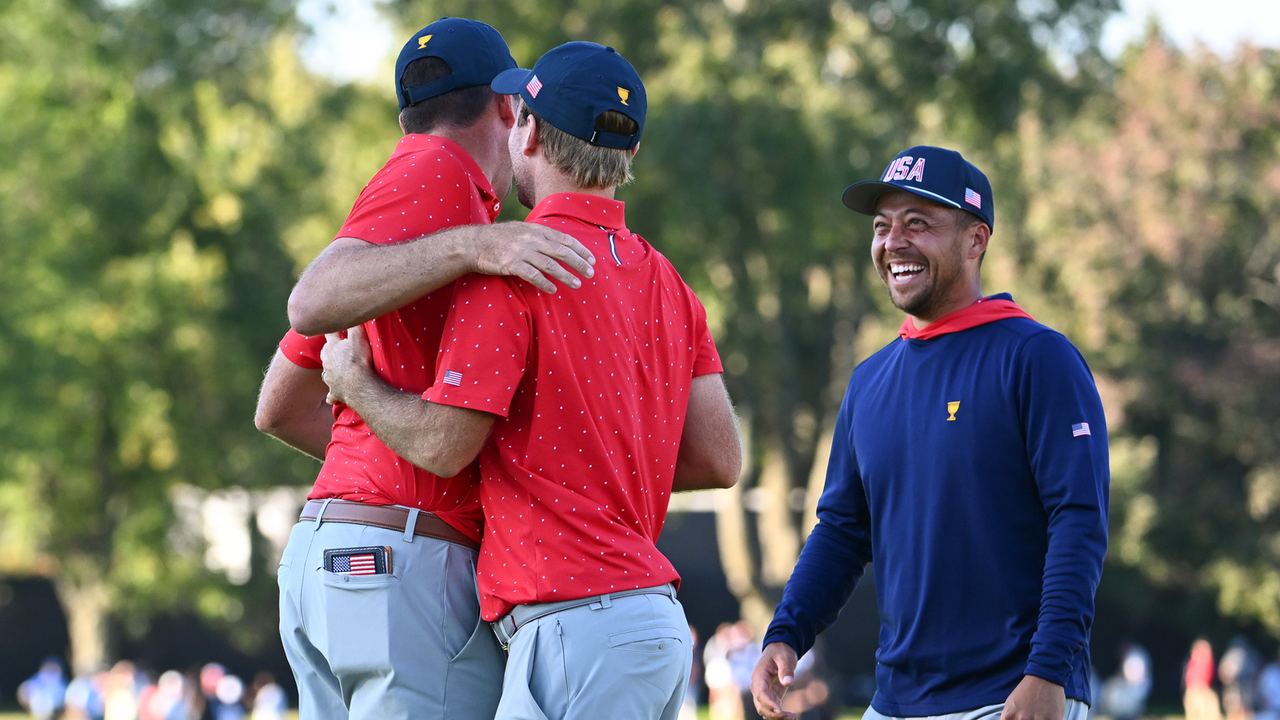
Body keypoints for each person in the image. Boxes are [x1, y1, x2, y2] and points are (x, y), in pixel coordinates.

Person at [321, 41, 742, 720]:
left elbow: (443, 446)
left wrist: (356, 384)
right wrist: (596, 461)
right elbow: (720, 458)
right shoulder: (670, 282)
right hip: (655, 629)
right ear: (625, 156)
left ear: (532, 133)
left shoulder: (512, 272)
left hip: (576, 629)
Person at [256, 18, 596, 720]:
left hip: (339, 548)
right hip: (403, 565)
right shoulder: (440, 174)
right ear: (509, 107)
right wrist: (476, 244)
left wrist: (376, 416)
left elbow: (279, 407)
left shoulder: (403, 215)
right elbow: (310, 301)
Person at [750, 146, 1110, 720]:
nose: (894, 242)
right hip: (895, 704)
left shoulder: (1037, 357)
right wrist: (787, 633)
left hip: (1011, 698)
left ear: (976, 240)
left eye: (919, 223)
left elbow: (1079, 521)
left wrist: (1048, 673)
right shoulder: (869, 381)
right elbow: (843, 531)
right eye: (882, 226)